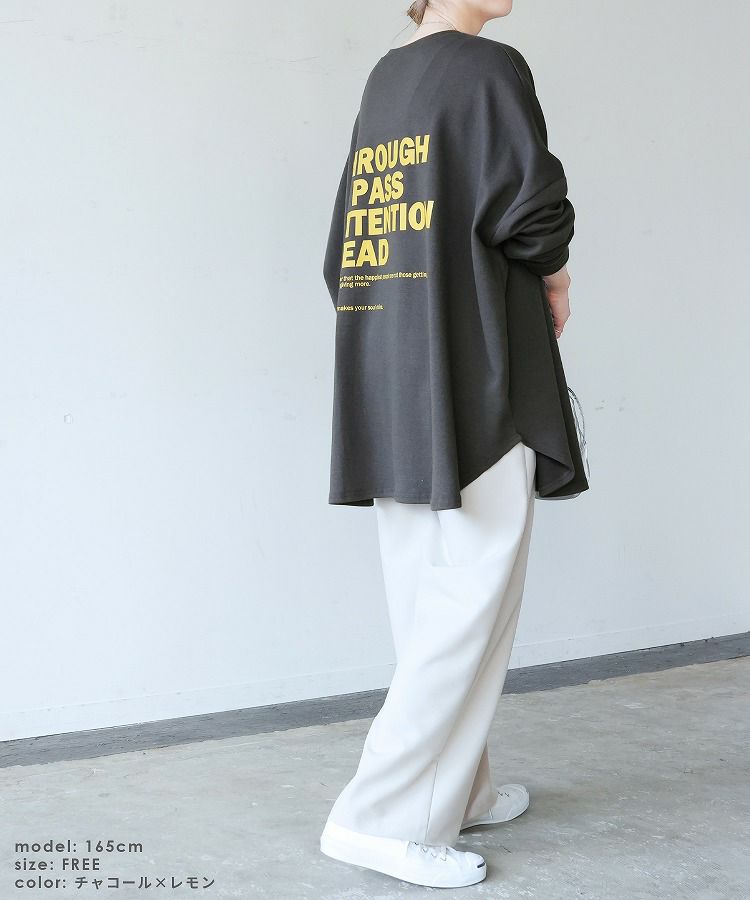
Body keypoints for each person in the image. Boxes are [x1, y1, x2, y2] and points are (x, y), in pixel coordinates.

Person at [319, 0, 589, 889]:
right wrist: (556, 277)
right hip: (471, 362)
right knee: (472, 592)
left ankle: (456, 786)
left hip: (390, 358)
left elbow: (346, 241)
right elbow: (530, 207)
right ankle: (377, 818)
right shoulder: (487, 66)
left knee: (425, 592)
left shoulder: (386, 77)